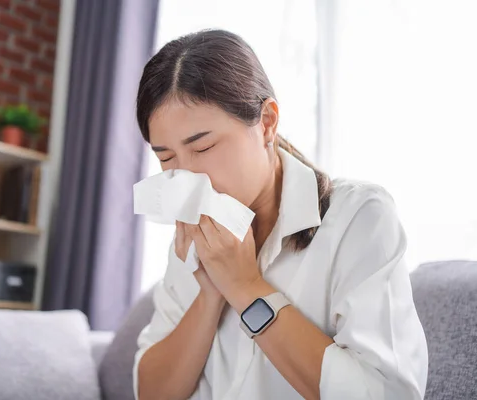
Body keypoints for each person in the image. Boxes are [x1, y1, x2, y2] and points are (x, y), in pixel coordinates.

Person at [132, 29, 428, 400]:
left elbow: (387, 393)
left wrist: (245, 288)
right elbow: (151, 393)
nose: (188, 179)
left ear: (267, 122)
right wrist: (211, 294)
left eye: (203, 147)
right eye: (167, 159)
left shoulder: (358, 217)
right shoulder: (195, 241)